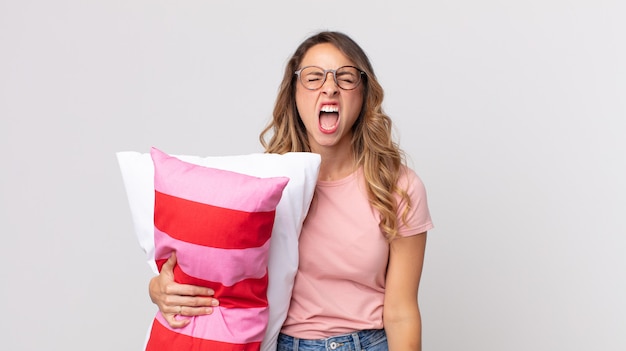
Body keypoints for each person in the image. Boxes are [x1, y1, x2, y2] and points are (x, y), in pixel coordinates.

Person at [149, 30, 433, 351]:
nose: (330, 87)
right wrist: (159, 288)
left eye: (345, 77)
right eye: (313, 78)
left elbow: (401, 312)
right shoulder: (262, 185)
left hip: (367, 344)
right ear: (295, 95)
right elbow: (219, 278)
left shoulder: (398, 186)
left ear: (364, 93)